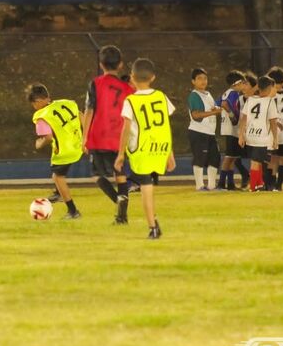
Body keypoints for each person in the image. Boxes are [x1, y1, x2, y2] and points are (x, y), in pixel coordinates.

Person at [114, 59, 176, 239]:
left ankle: (153, 227)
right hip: (160, 147)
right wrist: (169, 152)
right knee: (147, 185)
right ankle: (154, 222)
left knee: (146, 187)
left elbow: (125, 129)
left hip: (141, 149)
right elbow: (165, 124)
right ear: (153, 77)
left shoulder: (130, 101)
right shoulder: (161, 96)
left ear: (132, 78)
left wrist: (120, 154)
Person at [82, 45, 134, 224]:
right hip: (119, 137)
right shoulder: (128, 89)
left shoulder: (95, 83)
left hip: (99, 135)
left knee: (97, 175)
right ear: (120, 65)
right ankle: (122, 217)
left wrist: (84, 136)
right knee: (120, 175)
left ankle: (117, 200)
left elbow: (89, 110)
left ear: (101, 64)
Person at [28, 83, 83, 220]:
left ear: (38, 101)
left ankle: (73, 211)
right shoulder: (66, 103)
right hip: (78, 145)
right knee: (60, 175)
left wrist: (39, 144)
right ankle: (58, 193)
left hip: (64, 151)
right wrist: (86, 137)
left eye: (33, 104)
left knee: (57, 177)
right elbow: (82, 116)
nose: (34, 108)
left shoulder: (42, 116)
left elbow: (48, 137)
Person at [238, 76, 279, 192]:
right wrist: (275, 139)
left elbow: (243, 119)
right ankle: (253, 187)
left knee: (257, 161)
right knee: (256, 162)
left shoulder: (250, 100)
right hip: (262, 137)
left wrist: (241, 135)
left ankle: (259, 184)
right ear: (269, 88)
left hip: (250, 136)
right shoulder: (270, 101)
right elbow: (273, 122)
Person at [187, 68, 221, 191]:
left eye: (205, 78)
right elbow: (196, 115)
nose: (203, 81)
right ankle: (199, 185)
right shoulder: (194, 95)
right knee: (199, 158)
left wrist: (215, 108)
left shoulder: (208, 94)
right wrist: (213, 113)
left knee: (215, 158)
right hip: (198, 131)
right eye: (199, 78)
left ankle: (212, 185)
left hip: (210, 132)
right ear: (193, 81)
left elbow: (209, 109)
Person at [216, 70, 249, 191]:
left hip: (231, 129)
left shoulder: (229, 92)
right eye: (242, 82)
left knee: (233, 157)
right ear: (236, 83)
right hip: (230, 129)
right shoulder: (233, 93)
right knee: (229, 157)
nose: (243, 84)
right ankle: (220, 184)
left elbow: (218, 102)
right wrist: (232, 116)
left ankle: (230, 184)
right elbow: (224, 104)